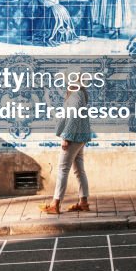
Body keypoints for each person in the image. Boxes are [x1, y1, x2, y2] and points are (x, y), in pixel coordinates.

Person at [42, 85, 91, 214]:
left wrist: (67, 137)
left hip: (73, 138)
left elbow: (74, 116)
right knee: (79, 170)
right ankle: (83, 202)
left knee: (63, 170)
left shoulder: (75, 94)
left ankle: (55, 204)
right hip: (81, 137)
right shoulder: (80, 92)